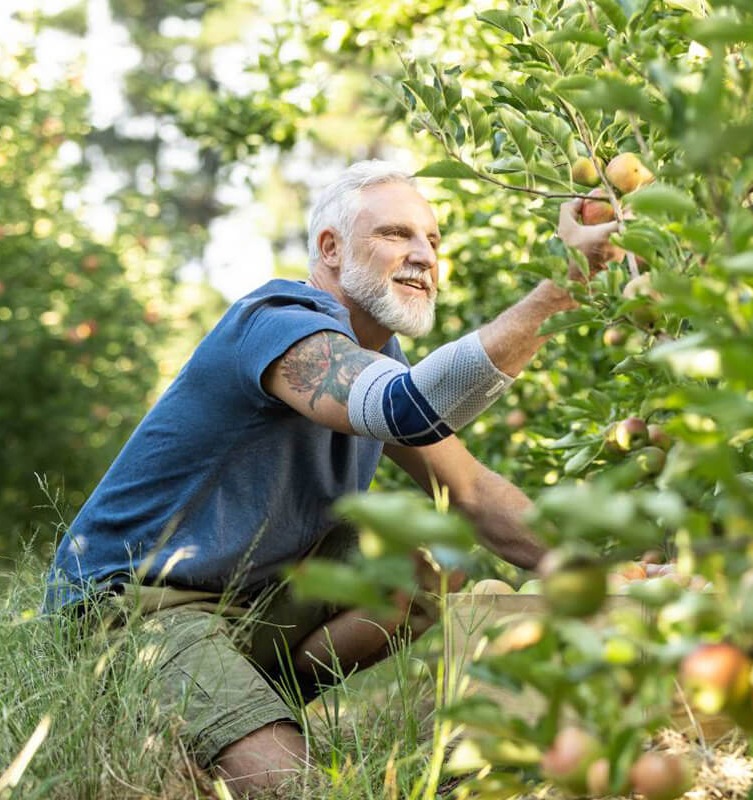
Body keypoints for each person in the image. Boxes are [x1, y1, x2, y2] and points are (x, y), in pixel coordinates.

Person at [46, 160, 619, 796]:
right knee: (304, 792)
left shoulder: (380, 357)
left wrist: (595, 578)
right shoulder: (277, 324)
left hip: (250, 601)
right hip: (137, 605)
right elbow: (402, 405)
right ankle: (219, 726)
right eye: (395, 234)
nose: (423, 255)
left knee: (429, 557)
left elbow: (475, 493)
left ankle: (245, 710)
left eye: (433, 240)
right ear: (330, 248)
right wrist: (565, 285)